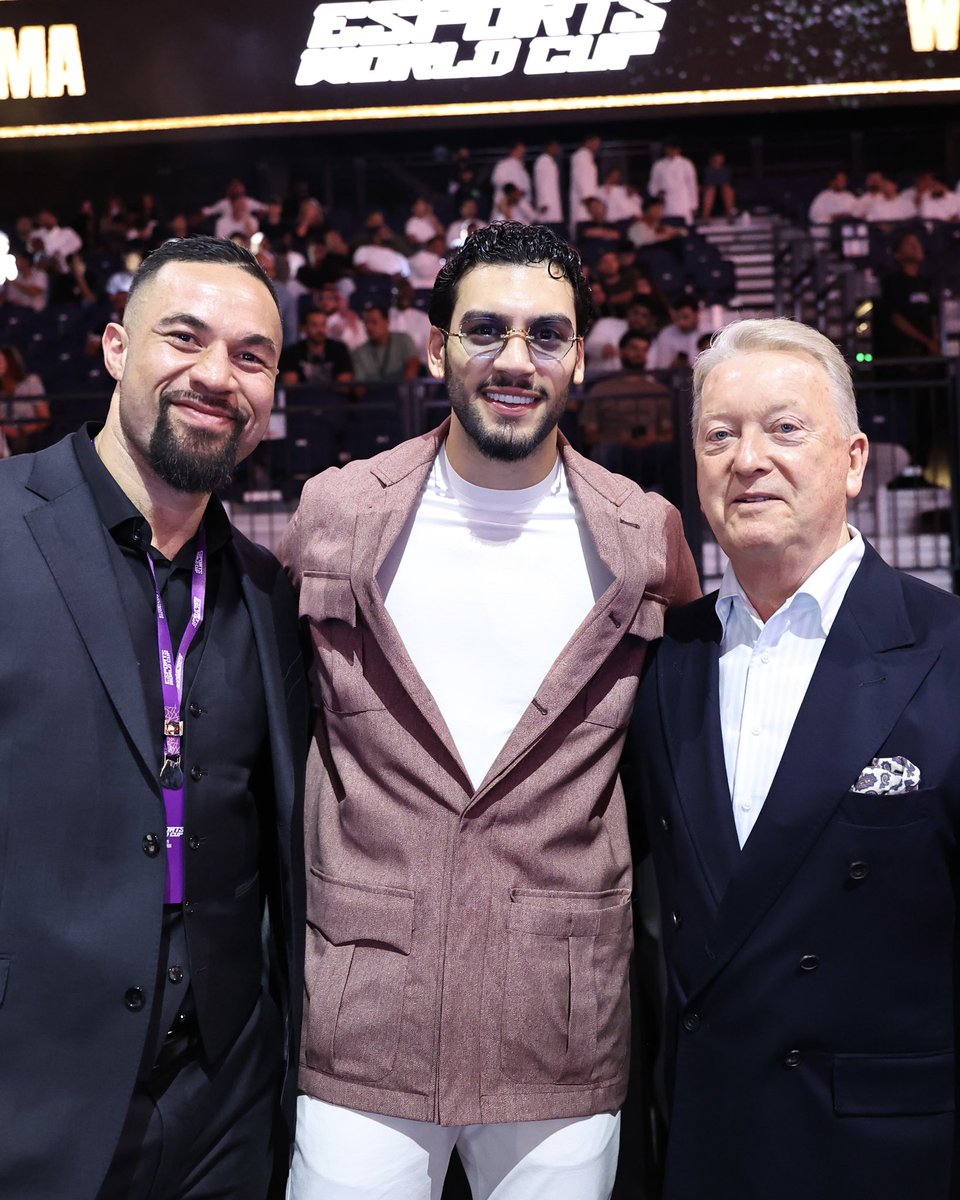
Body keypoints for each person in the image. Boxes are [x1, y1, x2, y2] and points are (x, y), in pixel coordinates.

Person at [280, 222, 699, 1200]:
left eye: (547, 335)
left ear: (580, 358)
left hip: (560, 1025)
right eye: (486, 331)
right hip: (361, 1022)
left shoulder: (645, 535)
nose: (516, 360)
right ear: (436, 348)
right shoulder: (336, 512)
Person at [0, 236, 307, 1199]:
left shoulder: (266, 589)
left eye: (252, 356)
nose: (217, 376)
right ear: (113, 348)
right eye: (185, 337)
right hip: (32, 1096)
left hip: (230, 1108)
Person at [630, 316, 960, 1199]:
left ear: (853, 460)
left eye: (784, 428)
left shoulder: (946, 648)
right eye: (718, 435)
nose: (748, 459)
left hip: (893, 1158)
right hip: (706, 1146)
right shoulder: (663, 660)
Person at [279, 308, 353, 386]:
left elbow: (345, 385)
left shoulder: (339, 349)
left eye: (323, 324)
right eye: (314, 325)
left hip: (334, 397)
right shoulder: (292, 352)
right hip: (303, 397)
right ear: (304, 328)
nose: (320, 330)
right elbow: (290, 386)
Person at [350, 303, 420, 382]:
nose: (369, 327)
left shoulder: (403, 340)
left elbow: (413, 364)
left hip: (401, 390)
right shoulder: (359, 352)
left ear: (387, 322)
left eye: (374, 322)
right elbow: (359, 386)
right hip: (373, 393)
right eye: (366, 323)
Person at [648, 144, 699, 226]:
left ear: (678, 150)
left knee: (685, 227)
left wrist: (693, 204)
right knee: (668, 227)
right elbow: (653, 184)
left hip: (683, 202)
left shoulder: (686, 164)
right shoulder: (659, 165)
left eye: (674, 149)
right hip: (666, 203)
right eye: (669, 149)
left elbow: (692, 185)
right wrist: (657, 192)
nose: (671, 151)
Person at [569, 134, 602, 232]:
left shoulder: (588, 158)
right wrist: (593, 209)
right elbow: (585, 187)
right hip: (585, 211)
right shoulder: (582, 157)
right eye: (596, 143)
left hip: (588, 208)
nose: (598, 146)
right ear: (588, 142)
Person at [533, 139, 563, 227]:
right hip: (546, 205)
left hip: (553, 203)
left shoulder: (551, 162)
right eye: (555, 147)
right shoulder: (542, 161)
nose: (557, 149)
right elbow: (540, 183)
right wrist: (543, 202)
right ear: (549, 147)